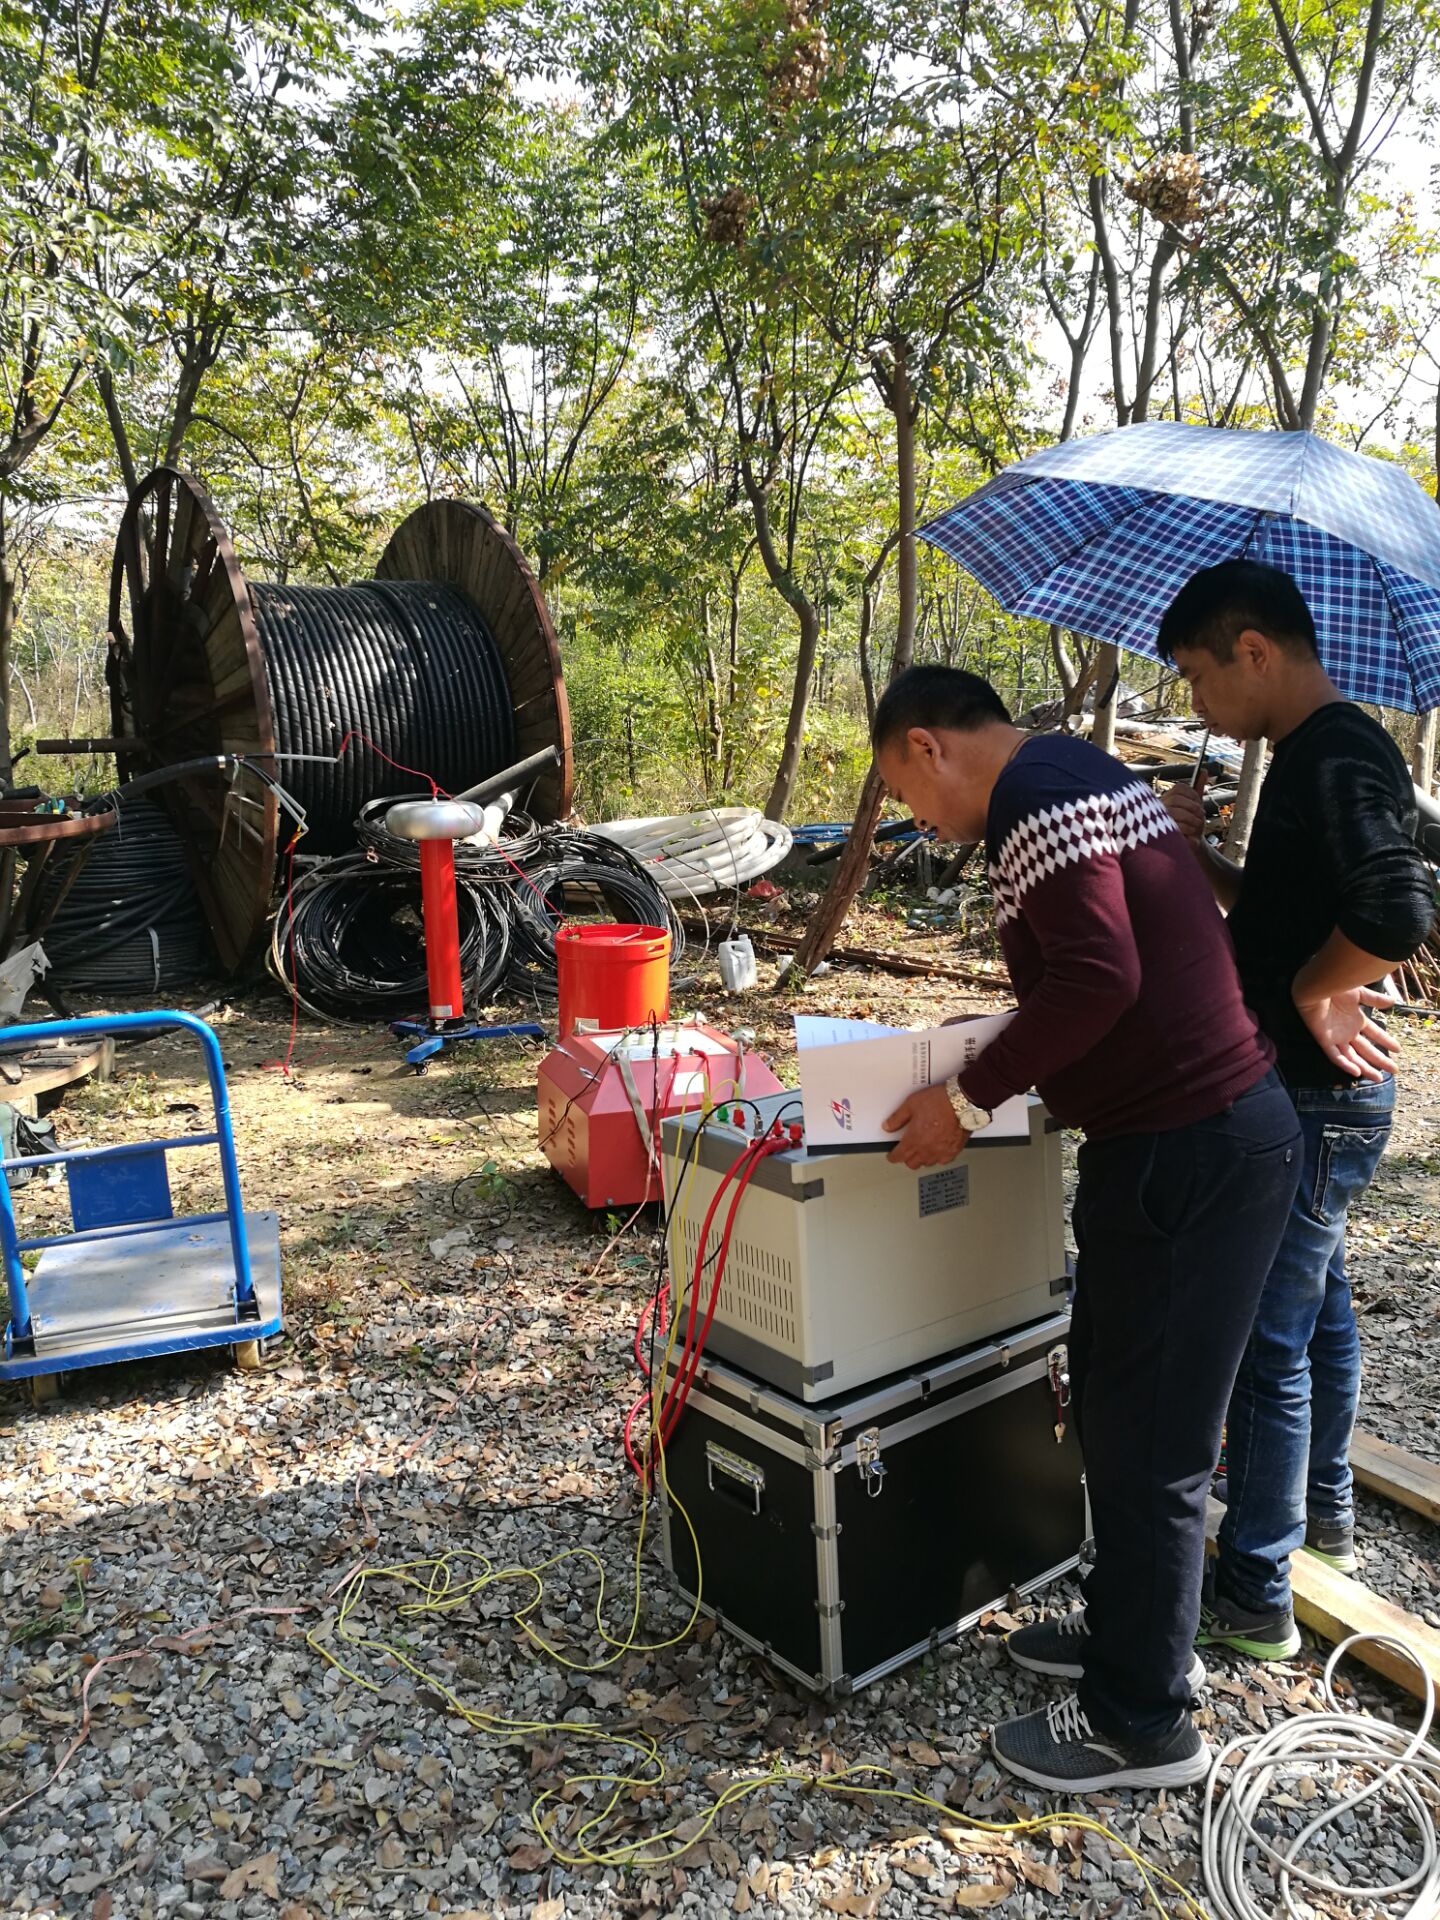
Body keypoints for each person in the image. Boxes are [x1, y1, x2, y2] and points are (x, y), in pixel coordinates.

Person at [873, 664, 1301, 1795]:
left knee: (1154, 1440)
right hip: (1171, 1142)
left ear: (927, 747)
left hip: (1191, 1150)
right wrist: (997, 1047)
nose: (926, 823)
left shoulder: (1036, 798)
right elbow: (1112, 975)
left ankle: (1140, 1721)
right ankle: (1127, 1628)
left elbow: (1099, 975)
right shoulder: (1073, 774)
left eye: (909, 798)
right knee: (1114, 1403)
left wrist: (967, 1098)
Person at [1158, 560, 1433, 1660]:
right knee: (1319, 1313)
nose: (1196, 703)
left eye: (1197, 675)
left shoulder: (1338, 752)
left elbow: (1398, 906)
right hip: (1322, 1098)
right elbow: (1277, 912)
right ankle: (1326, 1520)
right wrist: (1197, 858)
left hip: (1318, 1098)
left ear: (1254, 650)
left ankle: (1255, 1589)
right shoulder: (1315, 756)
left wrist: (1320, 988)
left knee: (1267, 1337)